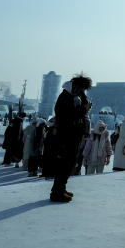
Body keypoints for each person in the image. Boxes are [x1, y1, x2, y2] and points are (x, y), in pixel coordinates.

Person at [50, 75, 93, 203]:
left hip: (73, 135)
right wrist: (82, 109)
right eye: (83, 88)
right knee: (65, 164)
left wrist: (84, 108)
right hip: (66, 136)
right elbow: (64, 116)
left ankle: (60, 188)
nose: (83, 91)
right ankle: (57, 192)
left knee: (69, 164)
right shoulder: (66, 96)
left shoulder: (74, 96)